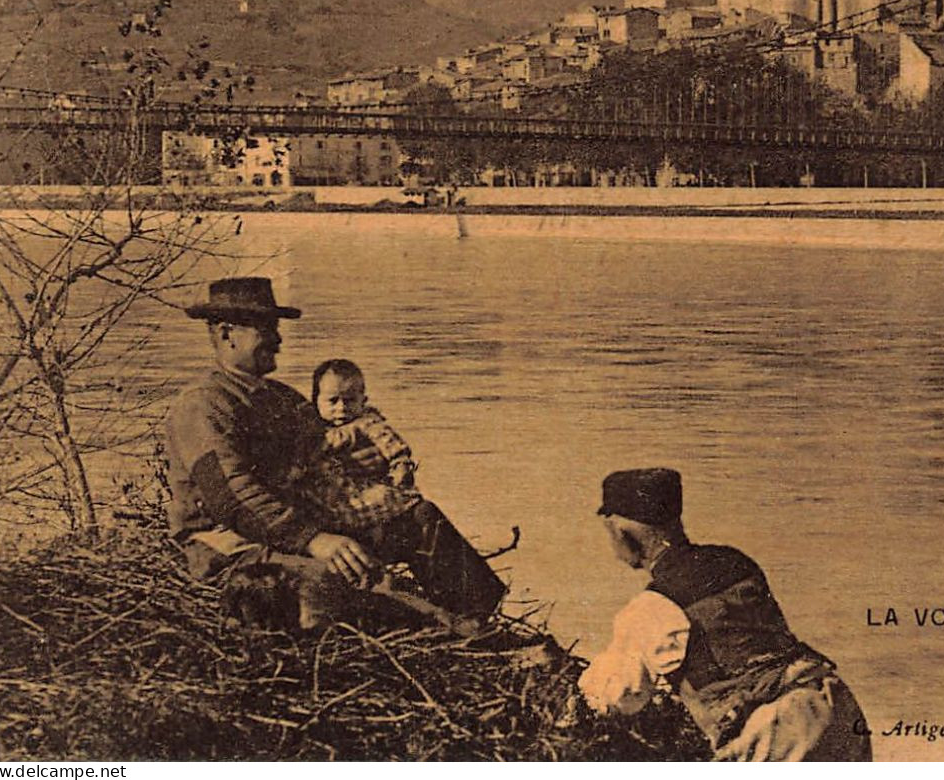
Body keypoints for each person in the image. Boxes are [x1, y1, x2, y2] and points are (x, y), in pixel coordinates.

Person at [162, 276, 505, 623]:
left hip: (300, 526)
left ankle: (481, 620)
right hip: (232, 544)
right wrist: (314, 540)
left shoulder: (283, 399)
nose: (278, 339)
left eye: (276, 327)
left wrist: (363, 463)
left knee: (420, 520)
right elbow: (232, 498)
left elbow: (324, 451)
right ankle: (448, 631)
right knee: (336, 582)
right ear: (225, 333)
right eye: (266, 328)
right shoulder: (202, 406)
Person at [578, 468, 871, 761]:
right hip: (834, 704)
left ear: (622, 533)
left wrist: (575, 675)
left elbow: (619, 697)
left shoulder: (651, 606)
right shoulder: (737, 563)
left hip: (778, 731)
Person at [283, 359, 423, 532]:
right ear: (315, 401)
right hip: (329, 494)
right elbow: (300, 454)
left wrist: (400, 468)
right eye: (332, 401)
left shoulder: (366, 424)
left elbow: (392, 445)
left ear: (363, 401)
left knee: (383, 501)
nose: (341, 408)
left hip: (360, 491)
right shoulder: (309, 426)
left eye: (350, 400)